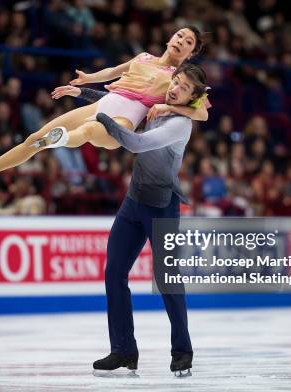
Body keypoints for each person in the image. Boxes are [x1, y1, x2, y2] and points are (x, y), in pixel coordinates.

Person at [62, 62, 209, 377]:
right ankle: (123, 349)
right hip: (133, 202)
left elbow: (136, 143)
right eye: (177, 82)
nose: (175, 88)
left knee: (167, 279)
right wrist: (85, 94)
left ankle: (182, 351)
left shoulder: (181, 125)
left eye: (184, 88)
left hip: (162, 207)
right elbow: (119, 105)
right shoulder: (154, 107)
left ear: (193, 98)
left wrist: (100, 120)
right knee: (114, 272)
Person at [0, 27, 209, 198]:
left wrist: (166, 105)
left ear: (190, 53)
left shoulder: (182, 77)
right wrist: (87, 78)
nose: (181, 41)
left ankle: (62, 139)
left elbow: (202, 114)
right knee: (34, 138)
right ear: (169, 37)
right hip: (103, 104)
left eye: (188, 42)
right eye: (180, 35)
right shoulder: (143, 58)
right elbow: (113, 72)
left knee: (89, 131)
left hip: (123, 120)